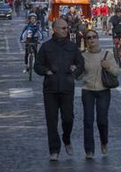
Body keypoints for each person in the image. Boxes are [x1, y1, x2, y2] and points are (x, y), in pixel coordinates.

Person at [34, 18, 85, 162]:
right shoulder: (46, 46)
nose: (66, 30)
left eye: (66, 28)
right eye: (62, 28)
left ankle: (66, 138)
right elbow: (37, 65)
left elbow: (80, 64)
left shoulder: (72, 46)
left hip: (67, 87)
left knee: (68, 119)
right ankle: (54, 150)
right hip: (50, 88)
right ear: (54, 29)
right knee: (51, 121)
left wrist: (74, 73)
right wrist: (46, 71)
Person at [79, 29, 119, 159]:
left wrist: (108, 66)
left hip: (103, 91)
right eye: (89, 38)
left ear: (98, 39)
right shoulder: (82, 56)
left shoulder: (107, 54)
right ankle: (89, 150)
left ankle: (104, 141)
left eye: (94, 37)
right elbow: (79, 76)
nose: (92, 40)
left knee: (102, 120)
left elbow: (116, 72)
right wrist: (73, 70)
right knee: (88, 121)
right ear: (86, 41)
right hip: (88, 90)